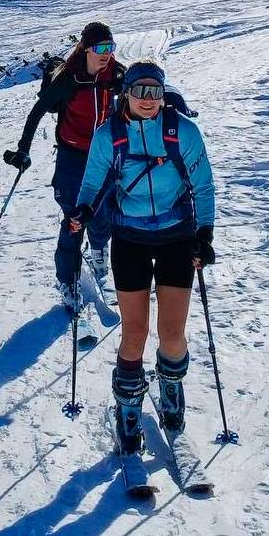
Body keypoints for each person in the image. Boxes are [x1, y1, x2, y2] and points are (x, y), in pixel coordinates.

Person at [68, 60, 216, 452]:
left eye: (155, 92)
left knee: (172, 333)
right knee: (134, 332)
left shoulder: (182, 132)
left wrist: (204, 235)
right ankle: (128, 408)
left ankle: (171, 386)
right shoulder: (109, 136)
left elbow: (203, 186)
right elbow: (92, 183)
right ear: (127, 94)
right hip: (130, 239)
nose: (148, 100)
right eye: (140, 91)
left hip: (176, 237)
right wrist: (82, 211)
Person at [4, 22, 126, 310]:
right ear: (86, 48)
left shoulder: (117, 74)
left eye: (110, 47)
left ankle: (98, 248)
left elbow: (140, 95)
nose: (106, 53)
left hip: (104, 156)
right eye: (101, 47)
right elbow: (37, 112)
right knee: (73, 218)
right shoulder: (69, 78)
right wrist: (23, 149)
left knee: (103, 211)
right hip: (72, 156)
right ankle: (67, 280)